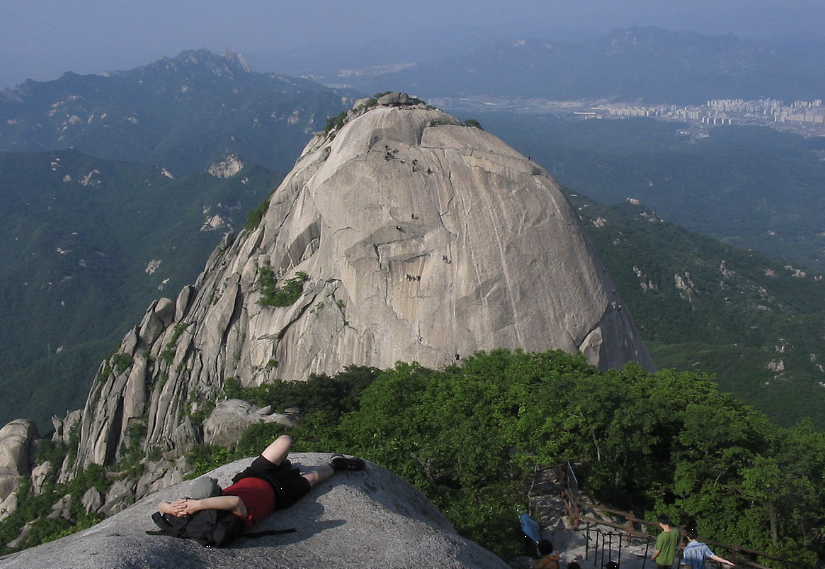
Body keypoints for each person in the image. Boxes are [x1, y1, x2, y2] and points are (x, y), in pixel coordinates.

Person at [157, 434, 365, 528]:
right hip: (279, 495)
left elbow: (159, 504)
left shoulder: (196, 505)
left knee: (285, 440)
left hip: (252, 476)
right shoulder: (229, 516)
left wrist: (169, 508)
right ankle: (339, 464)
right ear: (217, 491)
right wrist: (200, 504)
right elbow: (235, 502)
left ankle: (282, 466)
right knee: (316, 477)